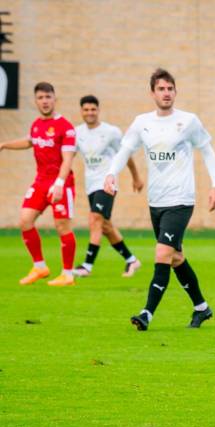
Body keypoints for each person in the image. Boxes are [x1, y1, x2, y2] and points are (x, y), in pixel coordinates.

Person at [104, 68, 215, 330]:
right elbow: (125, 149)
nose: (166, 93)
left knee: (162, 254)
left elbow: (207, 150)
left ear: (175, 92)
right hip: (155, 201)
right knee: (176, 258)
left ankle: (147, 313)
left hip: (180, 200)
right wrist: (111, 174)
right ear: (152, 93)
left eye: (170, 88)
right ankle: (201, 308)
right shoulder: (142, 122)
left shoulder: (188, 121)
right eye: (161, 89)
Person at [0, 82, 78, 286]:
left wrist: (60, 183)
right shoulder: (36, 124)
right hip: (40, 182)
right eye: (41, 98)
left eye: (48, 97)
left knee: (62, 226)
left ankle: (68, 275)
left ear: (55, 99)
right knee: (25, 220)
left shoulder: (66, 127)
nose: (45, 101)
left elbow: (68, 158)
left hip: (62, 182)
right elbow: (29, 141)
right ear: (36, 101)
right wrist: (4, 144)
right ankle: (40, 267)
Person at [72, 95, 143, 278]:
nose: (90, 113)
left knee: (95, 218)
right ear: (81, 111)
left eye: (93, 109)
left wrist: (136, 177)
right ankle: (131, 260)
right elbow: (68, 155)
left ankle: (87, 265)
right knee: (105, 226)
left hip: (107, 183)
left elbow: (125, 154)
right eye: (86, 110)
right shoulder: (77, 133)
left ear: (98, 110)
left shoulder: (111, 132)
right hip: (90, 185)